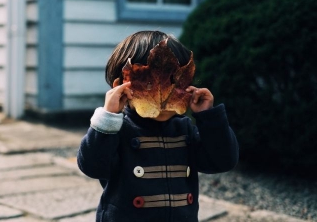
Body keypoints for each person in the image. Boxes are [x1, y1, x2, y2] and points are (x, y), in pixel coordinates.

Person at [77, 30, 239, 222]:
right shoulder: (117, 130)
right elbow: (92, 166)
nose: (164, 93)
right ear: (121, 86)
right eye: (147, 83)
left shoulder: (185, 129)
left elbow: (222, 161)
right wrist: (108, 117)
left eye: (175, 82)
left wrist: (208, 117)